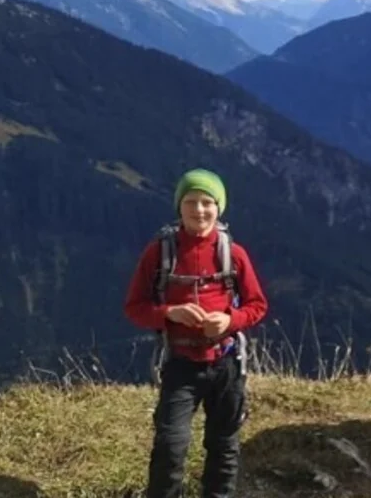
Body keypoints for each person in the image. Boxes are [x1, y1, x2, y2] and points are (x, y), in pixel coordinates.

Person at [123, 169, 270, 498]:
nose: (199, 210)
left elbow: (257, 305)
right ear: (179, 206)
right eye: (191, 202)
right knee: (170, 445)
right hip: (180, 363)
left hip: (226, 362)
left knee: (224, 444)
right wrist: (169, 313)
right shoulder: (158, 253)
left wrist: (229, 321)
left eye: (207, 202)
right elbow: (134, 307)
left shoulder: (233, 254)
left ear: (219, 208)